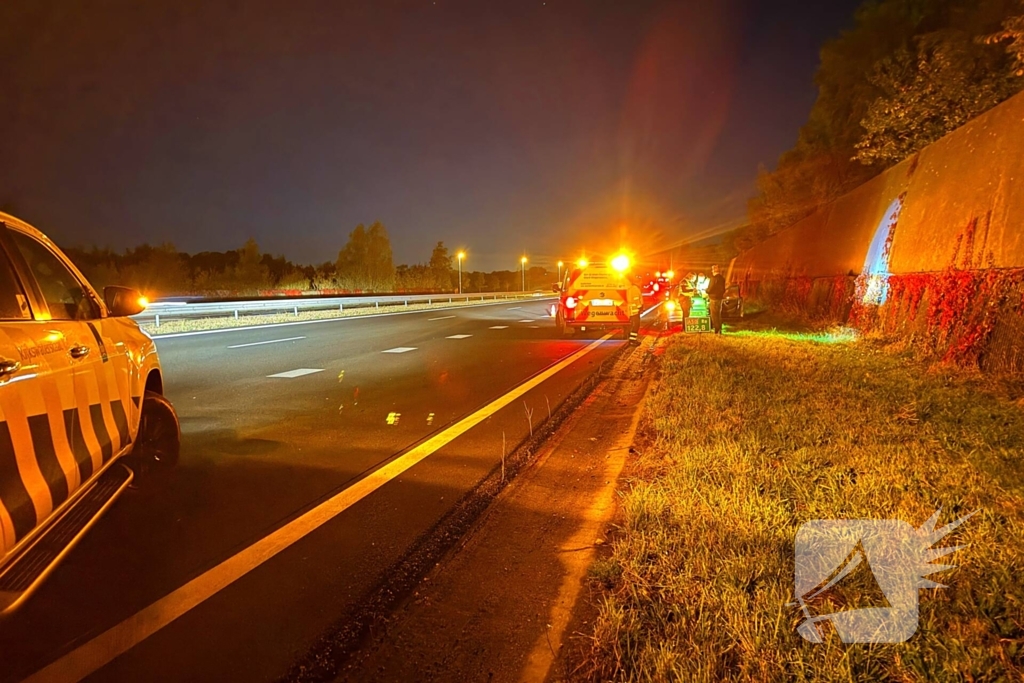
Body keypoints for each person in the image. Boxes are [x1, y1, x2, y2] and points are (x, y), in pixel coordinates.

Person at [707, 264, 726, 334]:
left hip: (713, 298)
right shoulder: (722, 278)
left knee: (714, 315)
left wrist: (706, 290)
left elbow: (710, 289)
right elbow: (723, 289)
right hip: (720, 298)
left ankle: (716, 330)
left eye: (712, 270)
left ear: (713, 270)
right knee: (718, 314)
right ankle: (720, 329)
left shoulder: (713, 278)